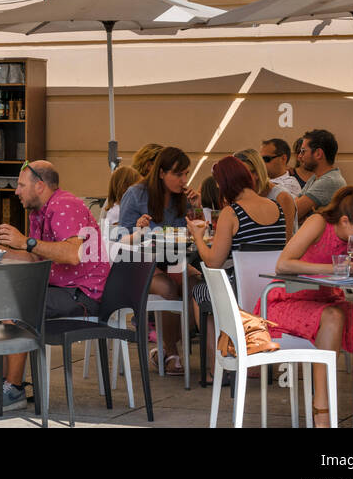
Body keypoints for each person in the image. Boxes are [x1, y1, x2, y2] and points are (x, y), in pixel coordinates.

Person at [0, 161, 111, 412]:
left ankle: (14, 388)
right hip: (61, 290)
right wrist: (0, 250)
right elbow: (34, 257)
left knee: (16, 305)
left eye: (21, 185)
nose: (16, 191)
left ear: (39, 186)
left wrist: (26, 241)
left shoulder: (65, 205)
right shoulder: (39, 211)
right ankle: (3, 383)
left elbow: (72, 254)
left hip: (82, 296)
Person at [266, 186, 353, 427]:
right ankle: (322, 411)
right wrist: (334, 269)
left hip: (326, 301)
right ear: (344, 221)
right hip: (287, 300)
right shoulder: (318, 222)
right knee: (332, 316)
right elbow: (283, 264)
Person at [188, 156, 291, 377]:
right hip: (273, 289)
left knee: (199, 292)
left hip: (241, 289)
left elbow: (213, 261)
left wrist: (197, 236)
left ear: (224, 184)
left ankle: (219, 367)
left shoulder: (232, 212)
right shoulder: (277, 208)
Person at [116, 146, 196, 374]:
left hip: (171, 258)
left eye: (186, 174)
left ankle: (163, 347)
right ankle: (171, 351)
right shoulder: (136, 194)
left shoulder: (183, 199)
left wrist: (195, 210)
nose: (184, 180)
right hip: (138, 262)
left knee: (198, 286)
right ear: (161, 173)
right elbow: (121, 239)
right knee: (169, 288)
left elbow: (184, 236)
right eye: (178, 174)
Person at [234, 147, 297, 236]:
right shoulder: (240, 196)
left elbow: (286, 239)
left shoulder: (281, 197)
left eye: (243, 174)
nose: (237, 180)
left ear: (257, 173)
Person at [294, 129, 346, 223]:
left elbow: (294, 213)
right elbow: (295, 207)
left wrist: (303, 216)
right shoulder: (315, 178)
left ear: (318, 154)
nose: (299, 156)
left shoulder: (329, 181)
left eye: (303, 151)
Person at [104, 164, 141, 232]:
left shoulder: (119, 207)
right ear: (125, 188)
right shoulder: (118, 211)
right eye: (137, 187)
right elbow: (121, 234)